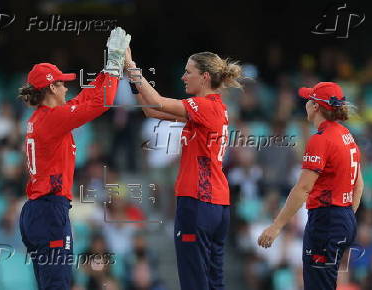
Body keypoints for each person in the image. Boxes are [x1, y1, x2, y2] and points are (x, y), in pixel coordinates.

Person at [18, 27, 130, 290]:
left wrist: (108, 67)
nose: (66, 86)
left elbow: (85, 98)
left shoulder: (43, 118)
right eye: (61, 82)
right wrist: (115, 63)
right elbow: (102, 102)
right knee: (57, 285)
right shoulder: (53, 119)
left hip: (37, 209)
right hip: (49, 209)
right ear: (50, 88)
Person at [125, 48, 242, 290]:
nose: (183, 77)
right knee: (213, 282)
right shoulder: (213, 108)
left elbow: (156, 100)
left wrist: (132, 66)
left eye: (188, 72)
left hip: (198, 201)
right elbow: (150, 111)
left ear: (205, 77)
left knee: (194, 281)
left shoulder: (204, 107)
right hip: (216, 204)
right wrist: (131, 79)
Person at [258, 82, 364, 290]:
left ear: (315, 106)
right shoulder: (346, 135)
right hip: (344, 219)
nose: (305, 103)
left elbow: (303, 188)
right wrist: (344, 217)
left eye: (309, 100)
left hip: (327, 221)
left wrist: (276, 225)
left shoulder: (321, 140)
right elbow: (358, 186)